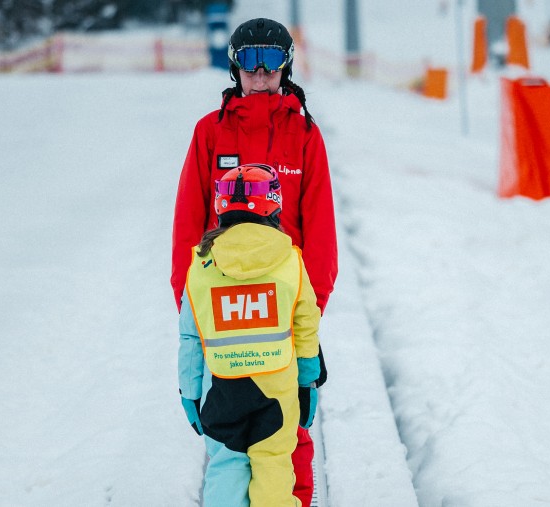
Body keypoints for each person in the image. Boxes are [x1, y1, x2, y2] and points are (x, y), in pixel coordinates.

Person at [171, 17, 336, 507]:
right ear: (234, 66)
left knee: (288, 437)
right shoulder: (209, 133)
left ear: (285, 67)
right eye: (250, 60)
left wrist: (310, 307)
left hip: (283, 308)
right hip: (221, 312)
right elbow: (188, 224)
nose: (260, 73)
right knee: (227, 437)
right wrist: (191, 306)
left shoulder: (305, 134)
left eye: (270, 61)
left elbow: (321, 230)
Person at [178, 164, 322, 507]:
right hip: (277, 390)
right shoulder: (289, 259)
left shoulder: (201, 265)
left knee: (226, 468)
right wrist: (308, 380)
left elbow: (190, 337)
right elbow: (306, 323)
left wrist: (190, 390)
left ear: (219, 207)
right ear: (274, 205)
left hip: (223, 391)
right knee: (273, 468)